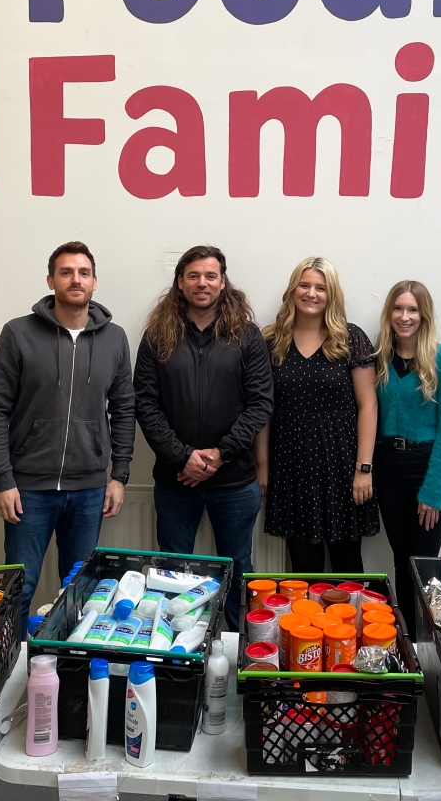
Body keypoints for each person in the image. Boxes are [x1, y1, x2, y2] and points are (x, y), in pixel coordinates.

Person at [0, 242, 135, 624]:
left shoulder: (114, 339)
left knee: (79, 590)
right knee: (19, 588)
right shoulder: (18, 333)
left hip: (88, 489)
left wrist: (118, 476)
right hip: (28, 489)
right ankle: (9, 670)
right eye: (66, 272)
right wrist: (3, 479)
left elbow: (124, 409)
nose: (75, 279)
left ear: (95, 282)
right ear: (51, 280)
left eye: (83, 272)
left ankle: (66, 673)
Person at [134, 245, 273, 630]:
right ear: (180, 282)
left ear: (223, 282)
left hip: (235, 480)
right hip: (176, 481)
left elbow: (261, 403)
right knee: (172, 573)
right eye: (193, 275)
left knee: (238, 569)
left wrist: (220, 454)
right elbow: (145, 404)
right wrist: (184, 457)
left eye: (211, 276)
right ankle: (180, 651)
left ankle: (240, 648)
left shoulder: (246, 336)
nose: (202, 283)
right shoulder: (157, 336)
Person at [256, 257, 378, 573]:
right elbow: (263, 409)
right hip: (291, 466)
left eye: (320, 288)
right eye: (305, 285)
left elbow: (368, 406)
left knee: (348, 568)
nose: (311, 293)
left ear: (331, 294)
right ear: (293, 290)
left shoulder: (351, 337)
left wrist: (363, 468)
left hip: (342, 466)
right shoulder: (270, 340)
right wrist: (263, 466)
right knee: (304, 569)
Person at [374, 280, 441, 639]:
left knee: (422, 565)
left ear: (424, 315)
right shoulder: (379, 357)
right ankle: (405, 643)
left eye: (412, 310)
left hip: (428, 469)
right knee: (400, 561)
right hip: (388, 469)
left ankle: (429, 647)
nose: (405, 317)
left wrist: (433, 490)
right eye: (398, 309)